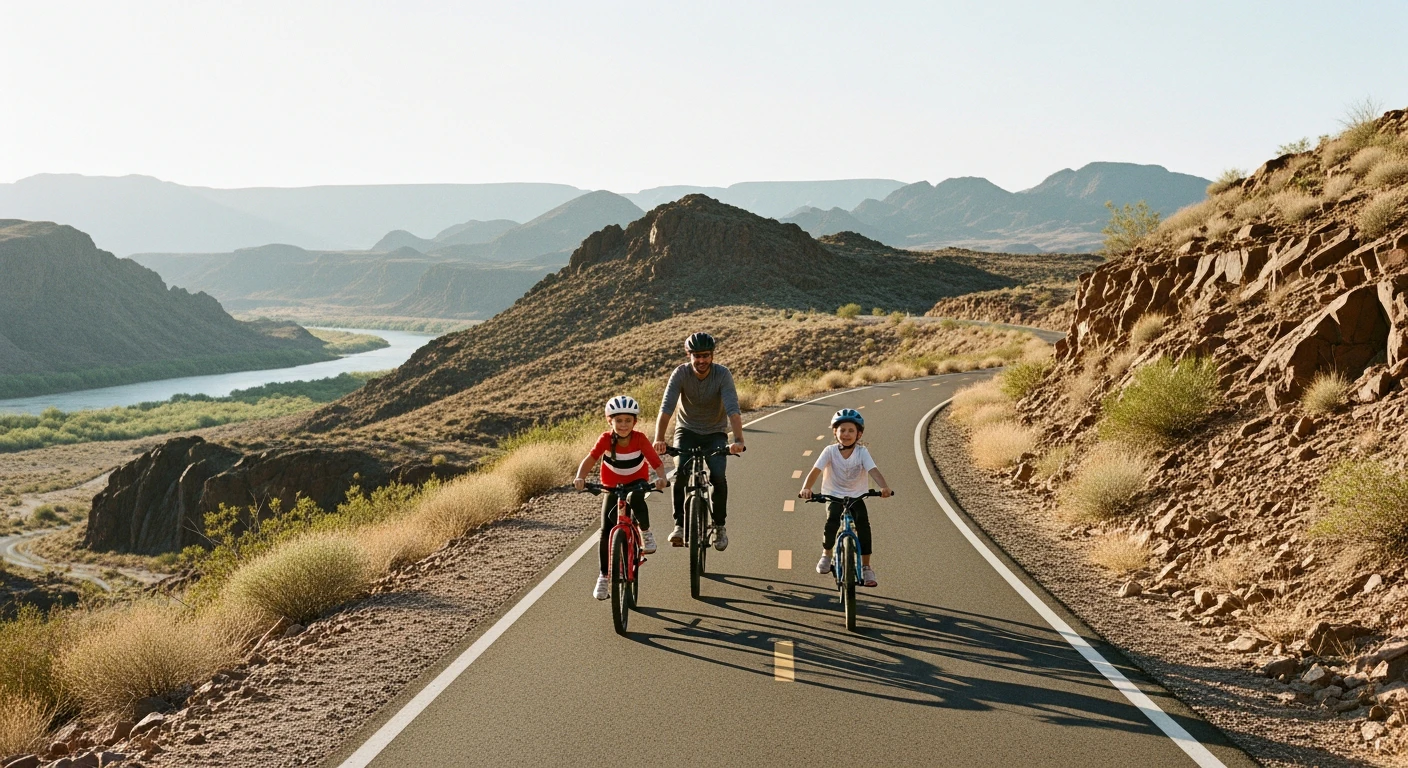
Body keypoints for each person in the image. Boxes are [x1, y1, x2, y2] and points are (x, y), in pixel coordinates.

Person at [652, 332, 746, 552]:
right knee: (680, 473)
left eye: (705, 355)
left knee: (718, 474)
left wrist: (739, 439)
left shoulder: (722, 374)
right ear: (689, 355)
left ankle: (720, 526)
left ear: (712, 355)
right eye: (696, 356)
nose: (701, 360)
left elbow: (733, 408)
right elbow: (667, 408)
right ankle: (679, 525)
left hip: (715, 432)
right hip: (687, 430)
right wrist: (659, 438)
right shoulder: (681, 374)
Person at [575, 395, 668, 601]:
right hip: (612, 486)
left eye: (628, 420)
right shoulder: (605, 439)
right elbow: (591, 458)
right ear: (611, 421)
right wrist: (580, 477)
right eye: (619, 420)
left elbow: (655, 461)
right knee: (606, 529)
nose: (623, 425)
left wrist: (661, 478)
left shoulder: (640, 439)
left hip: (637, 483)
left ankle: (645, 532)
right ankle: (603, 576)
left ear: (635, 422)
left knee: (636, 498)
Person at [798, 408, 892, 588]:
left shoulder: (862, 452)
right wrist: (806, 488)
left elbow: (873, 471)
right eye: (842, 430)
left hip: (856, 496)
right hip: (833, 494)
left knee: (863, 524)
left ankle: (866, 567)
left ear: (859, 433)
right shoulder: (829, 451)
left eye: (851, 430)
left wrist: (884, 487)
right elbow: (815, 471)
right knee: (832, 520)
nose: (846, 434)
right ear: (835, 432)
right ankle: (826, 555)